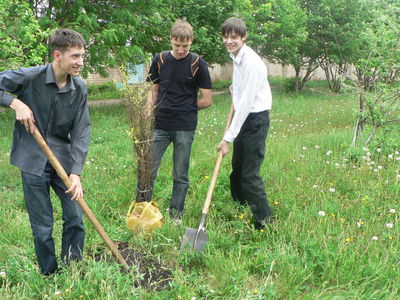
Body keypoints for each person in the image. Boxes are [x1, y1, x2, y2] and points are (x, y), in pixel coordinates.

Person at [0, 29, 90, 275]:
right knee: (42, 225)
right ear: (58, 55)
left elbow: (81, 132)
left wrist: (76, 173)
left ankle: (73, 269)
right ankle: (49, 273)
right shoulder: (30, 77)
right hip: (32, 160)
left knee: (75, 218)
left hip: (63, 161)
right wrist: (14, 102)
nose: (80, 62)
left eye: (82, 56)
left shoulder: (80, 88)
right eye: (75, 56)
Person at [146, 19, 212, 222]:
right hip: (160, 125)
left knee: (180, 174)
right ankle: (143, 210)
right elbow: (153, 91)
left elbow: (207, 99)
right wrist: (149, 111)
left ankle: (176, 215)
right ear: (171, 40)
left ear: (191, 41)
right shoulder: (159, 60)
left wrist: (188, 109)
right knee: (148, 170)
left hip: (185, 126)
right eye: (177, 45)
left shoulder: (198, 64)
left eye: (185, 46)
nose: (181, 50)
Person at [217, 17, 273, 230]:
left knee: (250, 173)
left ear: (244, 37)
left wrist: (227, 138)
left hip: (255, 120)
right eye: (226, 37)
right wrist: (235, 91)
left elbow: (246, 105)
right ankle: (240, 205)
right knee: (237, 167)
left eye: (234, 37)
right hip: (244, 116)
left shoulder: (251, 63)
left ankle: (264, 222)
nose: (229, 41)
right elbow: (240, 91)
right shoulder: (236, 56)